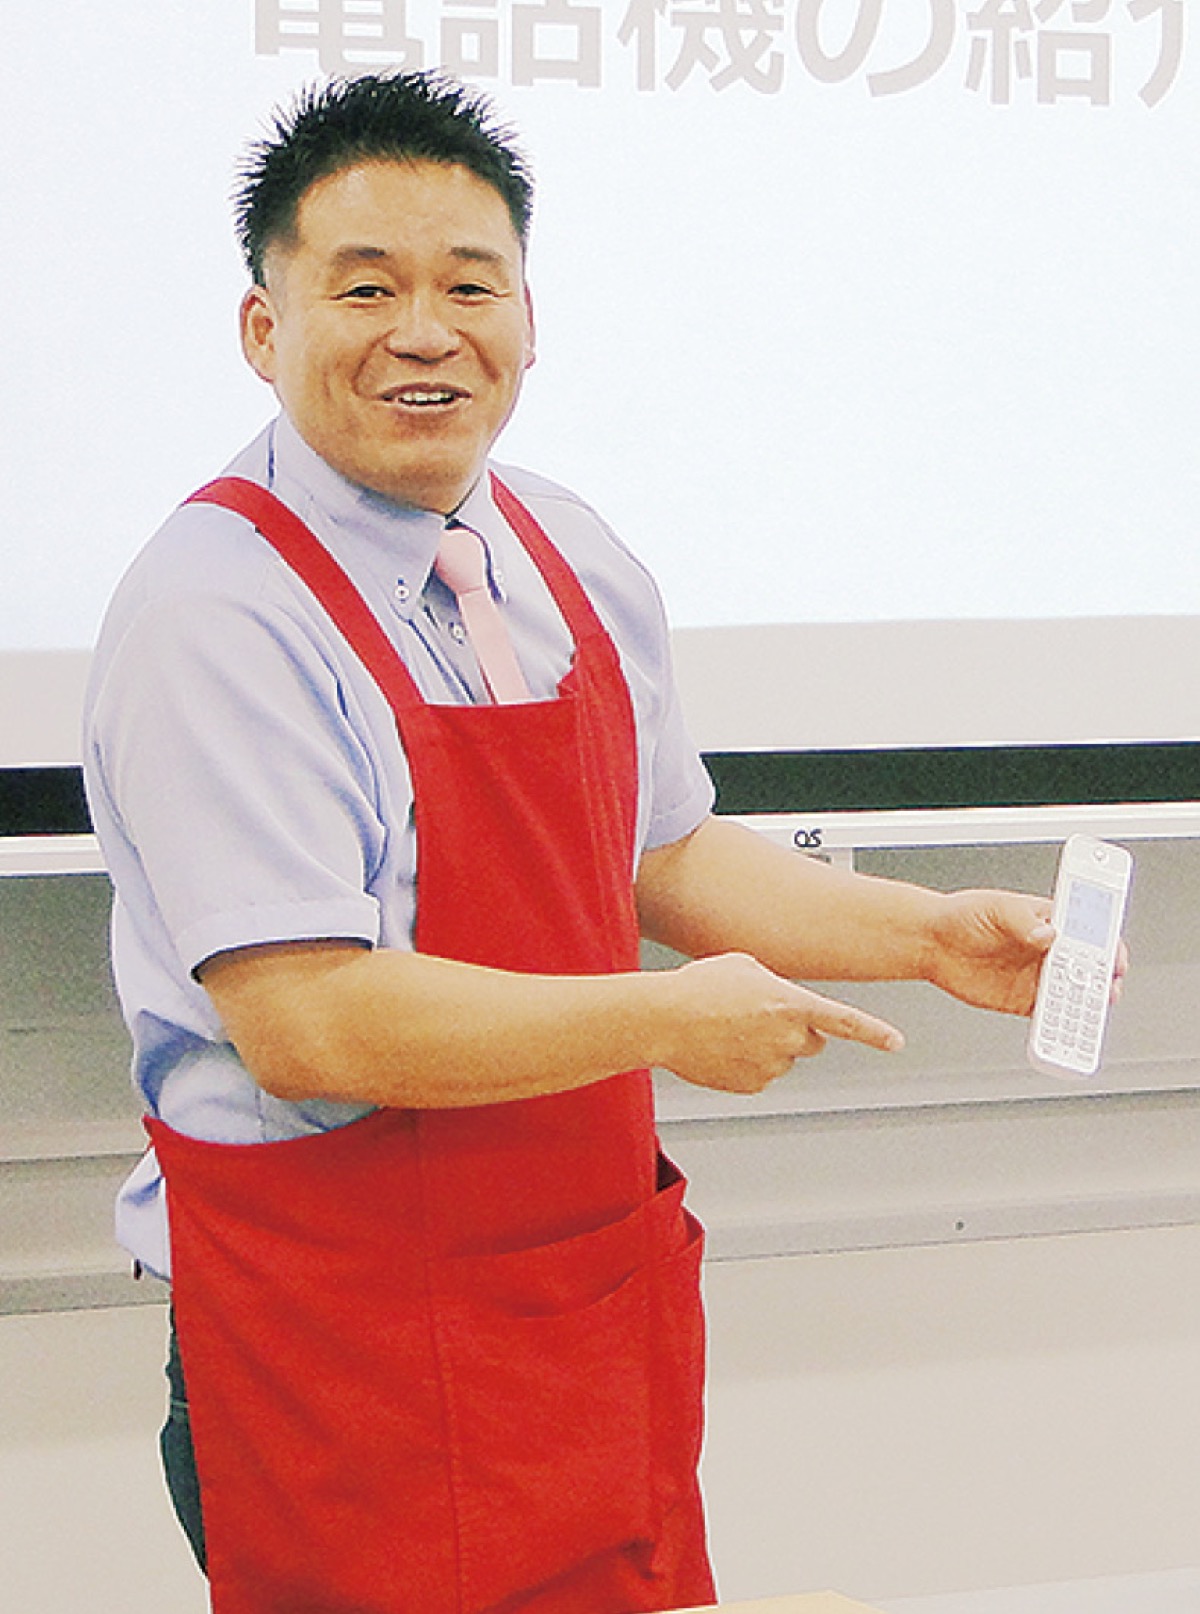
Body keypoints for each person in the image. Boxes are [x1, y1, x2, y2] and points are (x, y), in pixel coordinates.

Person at [84, 70, 1058, 1614]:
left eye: (470, 286)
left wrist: (929, 935)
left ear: (530, 321)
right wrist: (665, 1019)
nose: (426, 331)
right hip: (340, 1338)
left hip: (579, 1306)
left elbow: (662, 854)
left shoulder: (563, 551)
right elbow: (309, 1016)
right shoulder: (214, 614)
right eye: (366, 288)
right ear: (264, 328)